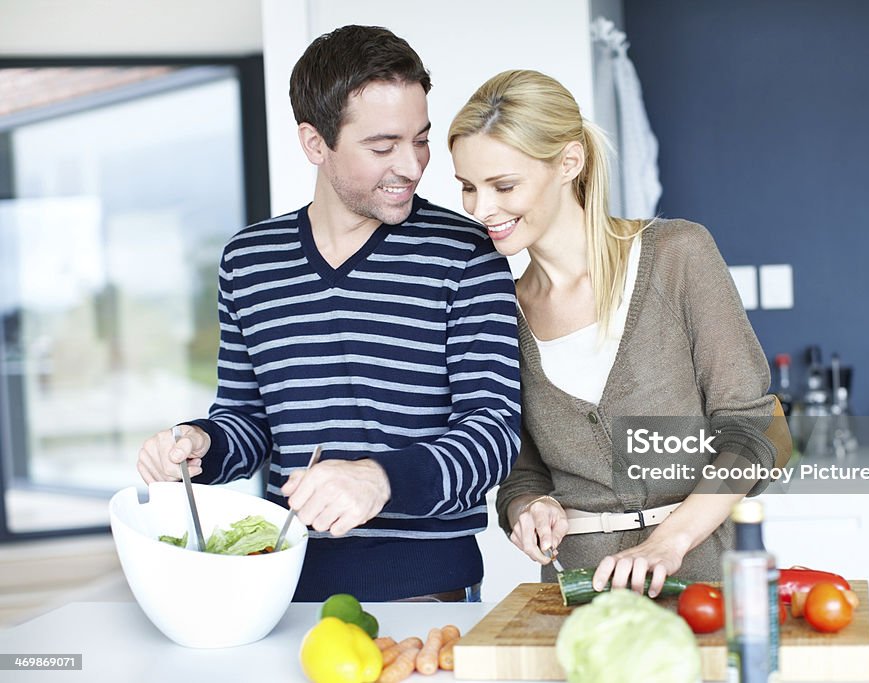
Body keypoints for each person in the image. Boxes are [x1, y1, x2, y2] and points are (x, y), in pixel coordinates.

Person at [136, 26, 520, 603]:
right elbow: (247, 420)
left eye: (420, 139)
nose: (413, 167)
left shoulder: (466, 252)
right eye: (382, 146)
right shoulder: (249, 261)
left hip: (426, 586)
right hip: (281, 581)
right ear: (315, 144)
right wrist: (201, 446)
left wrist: (380, 479)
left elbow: (495, 432)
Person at [448, 69, 790, 597]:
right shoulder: (497, 306)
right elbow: (521, 467)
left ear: (569, 162)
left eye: (503, 185)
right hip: (578, 598)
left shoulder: (678, 255)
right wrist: (525, 506)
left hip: (706, 586)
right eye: (468, 187)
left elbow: (756, 429)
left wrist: (669, 541)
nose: (480, 209)